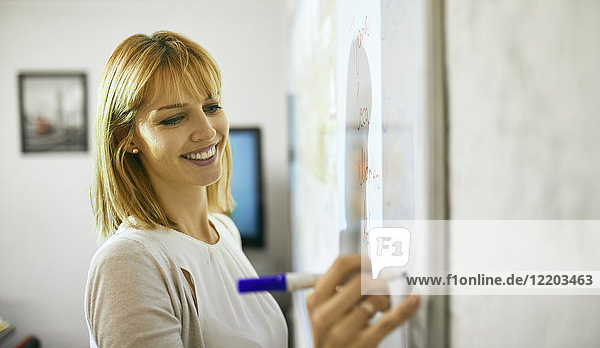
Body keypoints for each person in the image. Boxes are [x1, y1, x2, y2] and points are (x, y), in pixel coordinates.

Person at [85, 30, 420, 348]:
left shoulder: (224, 230)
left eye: (212, 107)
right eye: (173, 118)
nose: (207, 130)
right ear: (125, 139)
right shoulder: (127, 264)